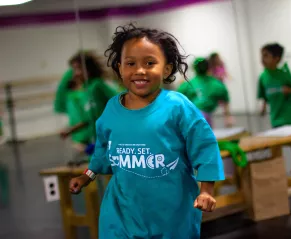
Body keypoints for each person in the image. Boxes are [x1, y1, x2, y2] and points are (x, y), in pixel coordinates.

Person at [69, 24, 224, 239]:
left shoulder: (177, 106)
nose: (139, 70)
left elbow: (204, 146)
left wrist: (206, 189)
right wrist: (87, 175)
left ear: (167, 69)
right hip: (122, 210)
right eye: (130, 63)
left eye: (150, 63)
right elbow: (103, 149)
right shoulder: (112, 108)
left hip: (172, 213)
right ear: (120, 68)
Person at [59, 51, 119, 164]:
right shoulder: (86, 91)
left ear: (89, 70)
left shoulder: (97, 85)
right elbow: (89, 118)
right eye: (74, 70)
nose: (75, 74)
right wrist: (70, 130)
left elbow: (121, 102)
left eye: (78, 69)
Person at [257, 43, 291, 175]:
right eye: (262, 56)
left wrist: (289, 90)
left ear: (277, 58)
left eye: (266, 56)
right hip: (276, 114)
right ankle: (277, 167)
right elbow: (264, 95)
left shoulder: (284, 74)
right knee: (276, 142)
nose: (262, 59)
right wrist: (264, 107)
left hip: (290, 113)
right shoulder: (263, 77)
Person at [177, 57, 233, 128]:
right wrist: (228, 117)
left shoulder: (188, 84)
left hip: (192, 116)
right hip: (204, 117)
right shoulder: (217, 84)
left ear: (194, 68)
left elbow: (178, 98)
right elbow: (225, 101)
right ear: (208, 68)